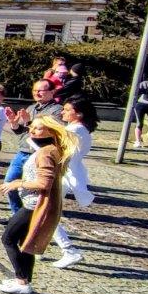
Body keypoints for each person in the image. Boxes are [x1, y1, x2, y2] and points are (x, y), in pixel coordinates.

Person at [0, 116, 75, 294]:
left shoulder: (46, 152)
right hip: (34, 204)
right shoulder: (50, 149)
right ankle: (24, 281)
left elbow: (43, 183)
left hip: (34, 206)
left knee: (8, 238)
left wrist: (18, 183)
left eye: (38, 128)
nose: (32, 131)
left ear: (51, 131)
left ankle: (21, 280)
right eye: (32, 127)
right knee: (25, 242)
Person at [2, 79, 63, 215]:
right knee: (9, 183)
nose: (37, 93)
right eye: (35, 90)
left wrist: (28, 121)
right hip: (23, 151)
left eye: (41, 90)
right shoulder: (31, 108)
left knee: (33, 187)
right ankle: (16, 215)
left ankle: (30, 216)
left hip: (40, 154)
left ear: (52, 92)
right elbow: (21, 132)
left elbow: (51, 130)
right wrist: (14, 123)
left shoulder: (57, 110)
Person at [51, 97, 98, 269]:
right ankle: (35, 248)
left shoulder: (75, 130)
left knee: (48, 215)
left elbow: (55, 149)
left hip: (64, 175)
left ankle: (69, 250)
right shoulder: (78, 129)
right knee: (44, 212)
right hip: (66, 173)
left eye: (66, 109)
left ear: (78, 114)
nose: (62, 112)